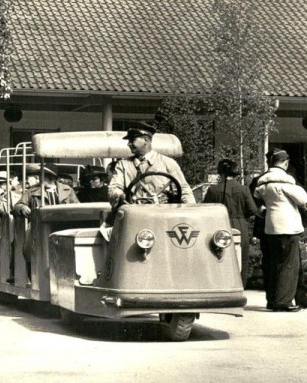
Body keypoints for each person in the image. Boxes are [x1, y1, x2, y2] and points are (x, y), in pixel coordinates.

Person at [253, 148, 307, 312]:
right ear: (285, 162)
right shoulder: (286, 181)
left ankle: (272, 299)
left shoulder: (262, 182)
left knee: (273, 264)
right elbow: (303, 199)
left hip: (270, 227)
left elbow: (256, 201)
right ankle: (283, 302)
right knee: (289, 265)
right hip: (288, 227)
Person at [108, 122, 195, 207]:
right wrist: (120, 197)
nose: (128, 144)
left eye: (132, 140)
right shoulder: (123, 165)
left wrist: (191, 211)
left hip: (164, 214)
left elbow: (184, 191)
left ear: (146, 139)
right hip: (135, 214)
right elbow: (114, 188)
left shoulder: (168, 163)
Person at [203, 159, 261, 287]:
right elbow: (252, 210)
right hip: (240, 224)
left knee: (218, 256)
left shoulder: (213, 190)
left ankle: (220, 285)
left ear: (221, 173)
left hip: (219, 226)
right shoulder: (244, 189)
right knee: (242, 258)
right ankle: (240, 285)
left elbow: (205, 210)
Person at [13, 164, 79, 217]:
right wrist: (22, 207)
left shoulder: (68, 190)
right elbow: (17, 206)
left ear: (51, 177)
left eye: (42, 176)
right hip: (41, 225)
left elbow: (77, 207)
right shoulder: (32, 191)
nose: (39, 178)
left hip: (63, 223)